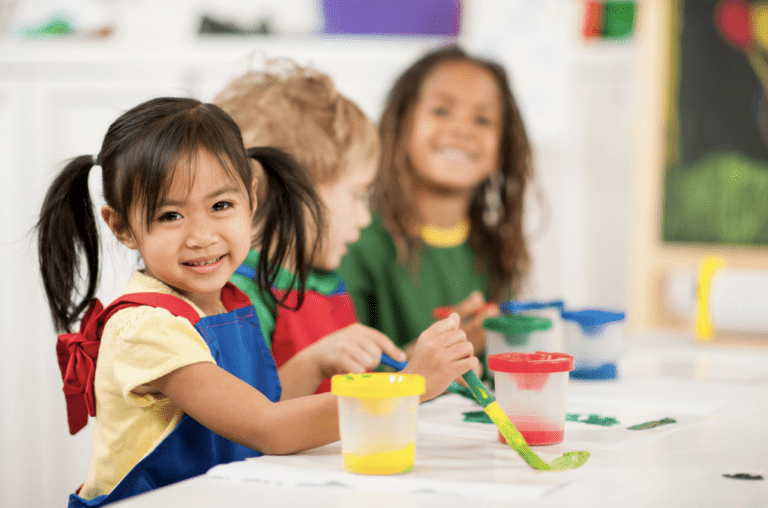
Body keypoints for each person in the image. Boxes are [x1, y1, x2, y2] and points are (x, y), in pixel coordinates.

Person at [37, 97, 477, 507]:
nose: (201, 235)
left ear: (251, 197)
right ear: (122, 227)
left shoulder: (224, 300)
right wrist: (410, 388)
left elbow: (249, 406)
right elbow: (267, 427)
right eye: (170, 215)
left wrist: (316, 360)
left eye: (221, 205)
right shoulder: (147, 327)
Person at [215, 60, 452, 398]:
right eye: (357, 195)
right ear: (297, 191)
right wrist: (313, 366)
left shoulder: (323, 283)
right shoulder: (238, 296)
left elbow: (347, 389)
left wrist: (422, 368)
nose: (365, 216)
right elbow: (246, 418)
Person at [339, 45, 533, 362]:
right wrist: (419, 361)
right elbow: (335, 382)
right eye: (441, 111)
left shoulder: (494, 248)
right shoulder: (357, 241)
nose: (461, 130)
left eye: (483, 120)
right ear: (401, 126)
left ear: (503, 149)